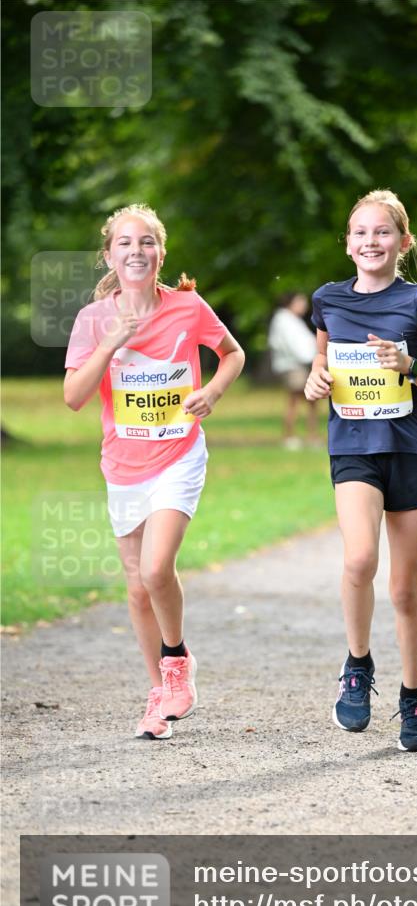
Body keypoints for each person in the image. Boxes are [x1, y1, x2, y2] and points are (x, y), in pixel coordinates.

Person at [64, 204, 245, 740]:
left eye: (146, 242)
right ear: (109, 254)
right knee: (137, 587)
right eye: (125, 243)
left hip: (179, 455)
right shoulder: (93, 320)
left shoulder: (187, 307)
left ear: (161, 253)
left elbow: (231, 354)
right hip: (123, 464)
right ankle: (160, 693)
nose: (136, 251)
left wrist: (211, 390)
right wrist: (111, 342)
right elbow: (74, 397)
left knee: (155, 568)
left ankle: (176, 663)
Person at [305, 189, 417, 752]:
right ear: (348, 244)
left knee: (403, 588)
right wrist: (312, 379)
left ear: (403, 241)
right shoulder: (328, 300)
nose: (371, 241)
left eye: (382, 232)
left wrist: (409, 364)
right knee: (359, 559)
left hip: (411, 450)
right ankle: (358, 665)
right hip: (354, 448)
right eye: (361, 233)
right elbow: (321, 361)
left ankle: (414, 697)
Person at [268, 291, 319, 448]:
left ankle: (311, 436)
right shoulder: (284, 320)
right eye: (301, 301)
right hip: (294, 366)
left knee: (311, 401)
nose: (304, 305)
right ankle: (290, 437)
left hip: (300, 365)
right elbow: (294, 346)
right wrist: (311, 357)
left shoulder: (292, 320)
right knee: (295, 401)